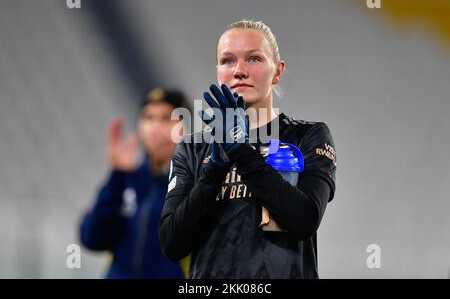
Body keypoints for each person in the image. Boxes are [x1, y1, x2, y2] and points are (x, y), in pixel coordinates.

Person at [159, 20, 337, 279]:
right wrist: (215, 169)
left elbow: (304, 220)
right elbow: (172, 244)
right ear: (218, 72)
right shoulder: (193, 147)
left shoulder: (308, 136)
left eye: (254, 59)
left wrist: (240, 150)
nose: (239, 71)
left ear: (277, 71)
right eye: (228, 60)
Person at [80, 87, 190, 279]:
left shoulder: (195, 185)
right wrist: (117, 176)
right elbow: (92, 238)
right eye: (148, 118)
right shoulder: (126, 181)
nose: (155, 127)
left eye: (166, 118)